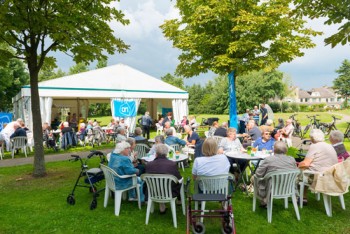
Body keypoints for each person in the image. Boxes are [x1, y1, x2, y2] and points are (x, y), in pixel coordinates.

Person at [298, 129, 338, 204]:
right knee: (304, 171)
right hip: (330, 175)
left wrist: (298, 165)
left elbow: (306, 163)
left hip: (318, 176)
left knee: (299, 172)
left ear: (312, 138)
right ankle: (302, 196)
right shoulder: (329, 146)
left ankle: (301, 197)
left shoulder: (314, 146)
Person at [254, 141, 297, 206]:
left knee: (253, 178)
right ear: (286, 150)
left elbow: (258, 174)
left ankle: (264, 200)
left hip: (271, 188)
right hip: (288, 187)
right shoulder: (292, 159)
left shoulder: (269, 159)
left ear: (274, 150)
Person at [145, 143, 182, 213]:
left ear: (156, 153)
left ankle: (161, 205)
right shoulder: (172, 164)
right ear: (166, 153)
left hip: (153, 191)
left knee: (158, 183)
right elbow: (178, 178)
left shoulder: (149, 164)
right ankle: (179, 200)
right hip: (170, 192)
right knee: (178, 182)